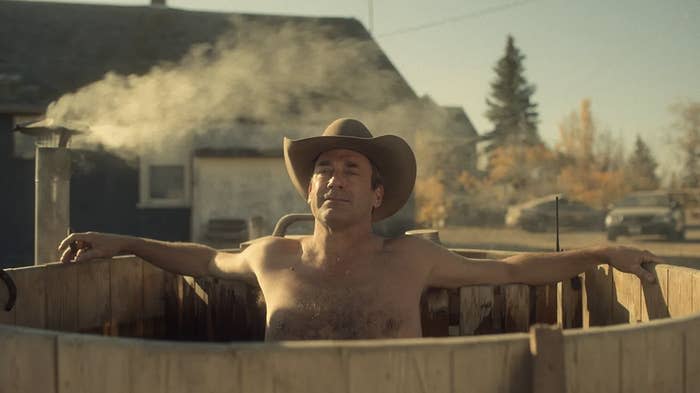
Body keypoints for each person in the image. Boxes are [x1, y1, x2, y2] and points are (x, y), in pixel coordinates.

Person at [58, 118, 661, 341]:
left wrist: (605, 251)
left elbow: (512, 269)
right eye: (323, 168)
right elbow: (205, 260)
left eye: (351, 169)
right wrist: (125, 241)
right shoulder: (273, 256)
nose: (333, 179)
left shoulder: (411, 259)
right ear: (310, 190)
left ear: (377, 196)